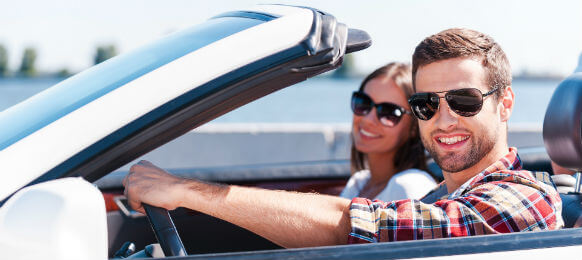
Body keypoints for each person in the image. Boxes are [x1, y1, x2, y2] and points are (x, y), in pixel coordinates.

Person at [123, 28, 563, 248]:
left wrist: (186, 190)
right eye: (427, 104)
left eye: (464, 101)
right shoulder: (436, 197)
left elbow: (364, 226)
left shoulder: (523, 202)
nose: (443, 120)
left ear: (505, 104)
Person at [342, 62, 436, 201]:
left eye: (389, 112)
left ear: (415, 128)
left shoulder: (409, 185)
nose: (368, 119)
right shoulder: (358, 183)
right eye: (363, 103)